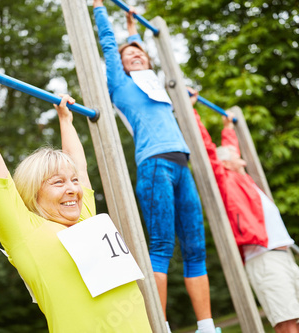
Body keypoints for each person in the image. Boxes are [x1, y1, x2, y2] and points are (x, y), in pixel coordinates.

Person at [0, 49, 152, 332]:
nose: (73, 190)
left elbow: (79, 167)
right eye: (58, 182)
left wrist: (66, 120)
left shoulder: (85, 218)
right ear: (34, 193)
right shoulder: (24, 231)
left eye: (73, 182)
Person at [92, 2, 219, 333]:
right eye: (129, 55)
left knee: (195, 248)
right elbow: (109, 43)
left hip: (182, 165)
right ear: (120, 66)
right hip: (154, 165)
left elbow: (139, 51)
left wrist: (133, 30)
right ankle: (160, 327)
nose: (136, 55)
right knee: (162, 247)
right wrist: (99, 8)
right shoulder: (120, 85)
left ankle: (206, 327)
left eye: (141, 54)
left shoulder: (154, 84)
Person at [190, 89, 299, 333]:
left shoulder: (245, 180)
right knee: (287, 323)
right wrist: (192, 111)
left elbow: (230, 148)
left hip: (283, 255)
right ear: (225, 164)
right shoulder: (226, 180)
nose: (236, 155)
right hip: (263, 258)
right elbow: (209, 150)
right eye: (231, 155)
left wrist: (228, 127)